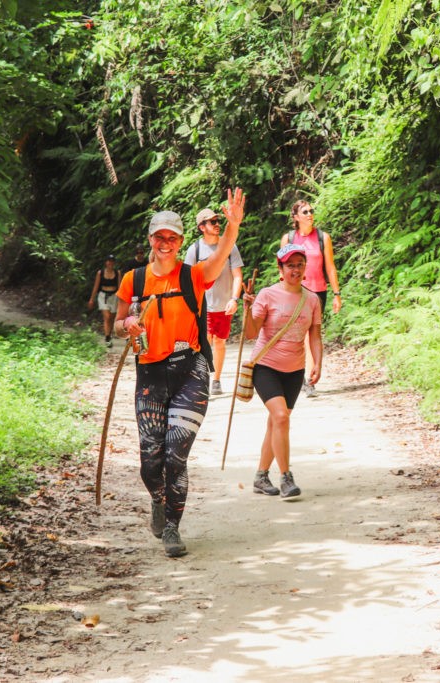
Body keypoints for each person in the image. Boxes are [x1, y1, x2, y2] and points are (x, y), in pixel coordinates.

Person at [114, 188, 246, 558]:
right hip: (150, 373)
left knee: (175, 454)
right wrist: (127, 325)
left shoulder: (195, 276)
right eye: (160, 237)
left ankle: (172, 527)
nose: (166, 243)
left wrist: (232, 225)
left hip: (190, 369)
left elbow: (222, 255)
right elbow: (116, 326)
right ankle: (158, 499)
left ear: (181, 241)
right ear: (151, 240)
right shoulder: (133, 279)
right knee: (149, 460)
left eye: (173, 237)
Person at [242, 243, 322, 499]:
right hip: (267, 366)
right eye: (290, 265)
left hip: (294, 370)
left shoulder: (311, 299)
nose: (295, 270)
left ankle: (260, 476)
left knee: (277, 422)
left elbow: (315, 336)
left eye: (299, 264)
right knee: (281, 417)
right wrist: (246, 309)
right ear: (280, 268)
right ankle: (286, 478)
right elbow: (251, 333)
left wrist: (317, 363)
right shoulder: (267, 295)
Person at [279, 200, 341, 397]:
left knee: (313, 333)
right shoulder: (288, 239)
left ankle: (311, 378)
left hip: (317, 292)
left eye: (311, 211)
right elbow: (281, 269)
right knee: (300, 335)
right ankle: (300, 376)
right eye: (305, 212)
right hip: (295, 292)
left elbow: (330, 267)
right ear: (296, 217)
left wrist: (337, 294)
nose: (310, 214)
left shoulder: (323, 237)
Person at [183, 207, 243, 394]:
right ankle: (203, 378)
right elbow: (186, 280)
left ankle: (216, 379)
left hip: (224, 304)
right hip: (203, 305)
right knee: (205, 341)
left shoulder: (229, 246)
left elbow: (238, 275)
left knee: (220, 342)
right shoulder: (195, 249)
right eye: (212, 222)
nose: (217, 225)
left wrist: (234, 299)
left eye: (218, 221)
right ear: (202, 226)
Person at [88, 255, 120, 347]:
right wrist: (91, 299)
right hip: (103, 296)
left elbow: (120, 287)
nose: (110, 263)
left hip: (114, 296)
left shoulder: (117, 273)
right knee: (107, 316)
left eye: (112, 261)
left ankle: (109, 335)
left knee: (111, 318)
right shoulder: (100, 273)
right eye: (108, 261)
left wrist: (122, 300)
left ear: (114, 263)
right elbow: (96, 286)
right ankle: (107, 338)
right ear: (106, 262)